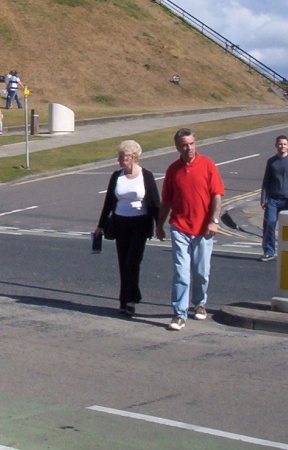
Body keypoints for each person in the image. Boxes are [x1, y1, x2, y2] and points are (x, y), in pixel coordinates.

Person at [156, 128, 224, 331]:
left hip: (204, 228)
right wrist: (159, 225)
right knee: (181, 273)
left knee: (201, 272)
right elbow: (166, 200)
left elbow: (217, 195)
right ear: (178, 147)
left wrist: (215, 220)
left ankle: (200, 303)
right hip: (180, 227)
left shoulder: (208, 165)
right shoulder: (172, 170)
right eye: (185, 145)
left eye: (192, 143)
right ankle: (179, 314)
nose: (189, 148)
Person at [94, 140, 160, 317]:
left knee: (133, 262)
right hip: (120, 222)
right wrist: (100, 226)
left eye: (122, 158)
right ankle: (125, 300)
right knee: (123, 263)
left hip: (140, 223)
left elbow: (155, 203)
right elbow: (108, 202)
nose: (119, 161)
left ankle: (131, 299)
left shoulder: (146, 176)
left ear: (133, 158)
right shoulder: (117, 176)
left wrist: (159, 226)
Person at [259, 135, 288, 261]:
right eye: (280, 144)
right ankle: (269, 251)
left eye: (284, 144)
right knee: (269, 223)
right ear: (276, 145)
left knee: (287, 227)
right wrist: (263, 198)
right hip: (273, 200)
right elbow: (266, 181)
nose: (282, 146)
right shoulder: (271, 161)